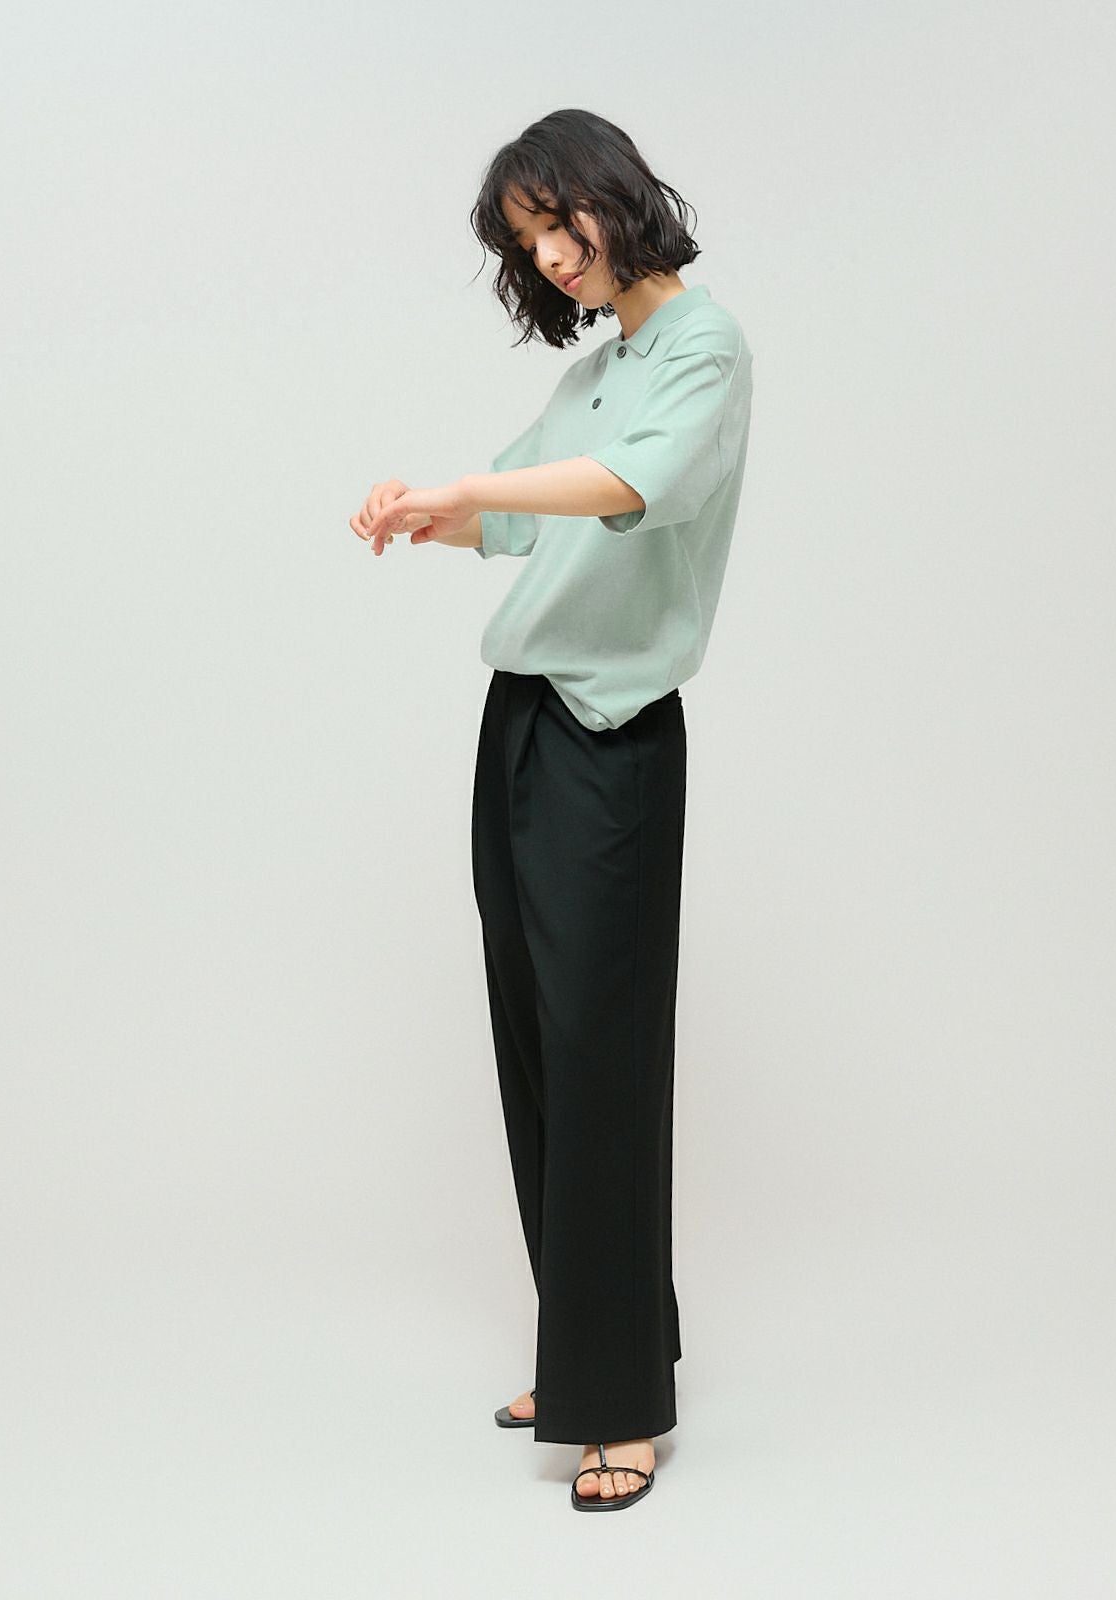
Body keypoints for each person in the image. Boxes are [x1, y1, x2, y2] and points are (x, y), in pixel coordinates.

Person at [349, 108, 753, 1512]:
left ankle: (620, 1401)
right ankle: (588, 1355)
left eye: (555, 222)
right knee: (536, 1045)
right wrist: (428, 509)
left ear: (612, 194)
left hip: (611, 734)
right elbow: (519, 517)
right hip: (520, 722)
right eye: (526, 243)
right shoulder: (601, 369)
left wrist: (477, 484)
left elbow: (632, 486)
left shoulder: (704, 348)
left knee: (602, 1060)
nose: (551, 257)